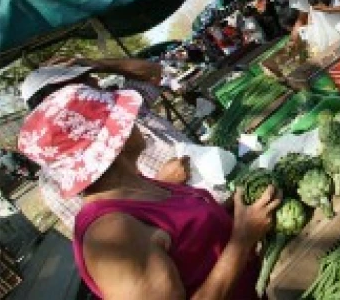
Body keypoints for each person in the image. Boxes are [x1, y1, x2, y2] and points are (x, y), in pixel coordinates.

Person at [18, 83, 278, 298]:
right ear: (110, 145)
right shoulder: (111, 233)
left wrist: (235, 206)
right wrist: (242, 240)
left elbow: (189, 240)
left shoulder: (134, 184)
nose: (133, 121)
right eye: (121, 120)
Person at [19, 58, 219, 231]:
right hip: (193, 228)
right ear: (58, 99)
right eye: (83, 80)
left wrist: (95, 63)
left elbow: (153, 73)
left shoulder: (120, 104)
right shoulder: (56, 178)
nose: (95, 80)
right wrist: (164, 183)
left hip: (216, 189)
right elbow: (107, 233)